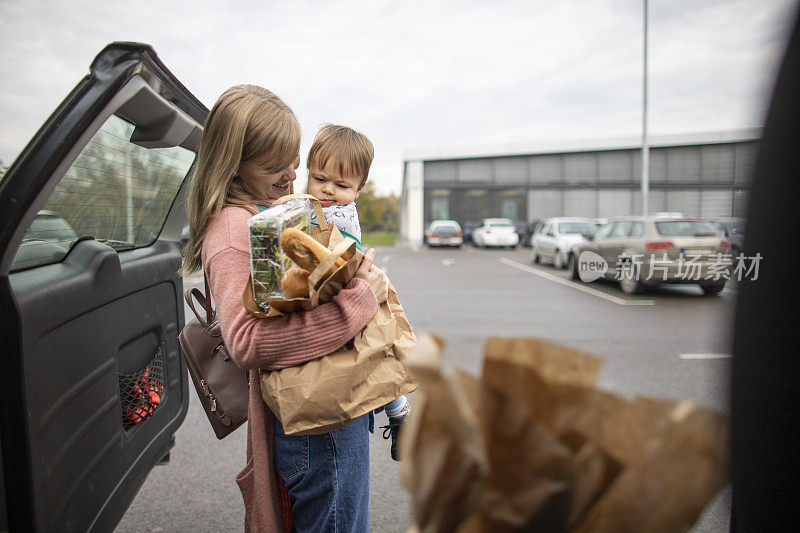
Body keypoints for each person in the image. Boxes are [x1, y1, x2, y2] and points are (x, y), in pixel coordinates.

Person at [181, 85, 389, 533]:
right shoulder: (237, 228)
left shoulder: (270, 209)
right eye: (275, 164)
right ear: (234, 162)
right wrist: (360, 299)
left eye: (294, 157)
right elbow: (248, 342)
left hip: (326, 410)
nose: (293, 171)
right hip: (319, 427)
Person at [305, 124, 410, 461]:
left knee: (371, 354)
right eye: (320, 179)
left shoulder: (340, 216)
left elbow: (326, 255)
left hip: (351, 292)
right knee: (370, 355)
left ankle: (400, 412)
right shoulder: (311, 205)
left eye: (341, 185)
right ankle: (400, 413)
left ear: (359, 189)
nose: (328, 190)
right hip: (345, 291)